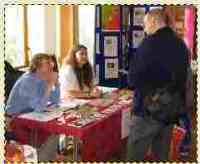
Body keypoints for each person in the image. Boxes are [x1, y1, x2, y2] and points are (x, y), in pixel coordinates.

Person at [127, 9, 189, 161]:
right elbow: (182, 78)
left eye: (145, 23)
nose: (144, 28)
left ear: (154, 21)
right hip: (170, 109)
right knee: (161, 156)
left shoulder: (149, 43)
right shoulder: (180, 44)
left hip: (147, 110)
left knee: (135, 155)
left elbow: (133, 79)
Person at [5, 53, 61, 161]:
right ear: (37, 67)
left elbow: (55, 101)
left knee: (55, 129)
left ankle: (45, 157)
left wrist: (56, 84)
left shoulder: (42, 78)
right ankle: (39, 158)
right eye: (47, 64)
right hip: (15, 119)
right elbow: (39, 108)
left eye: (51, 64)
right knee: (49, 131)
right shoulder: (27, 81)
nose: (51, 67)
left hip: (31, 115)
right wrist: (50, 85)